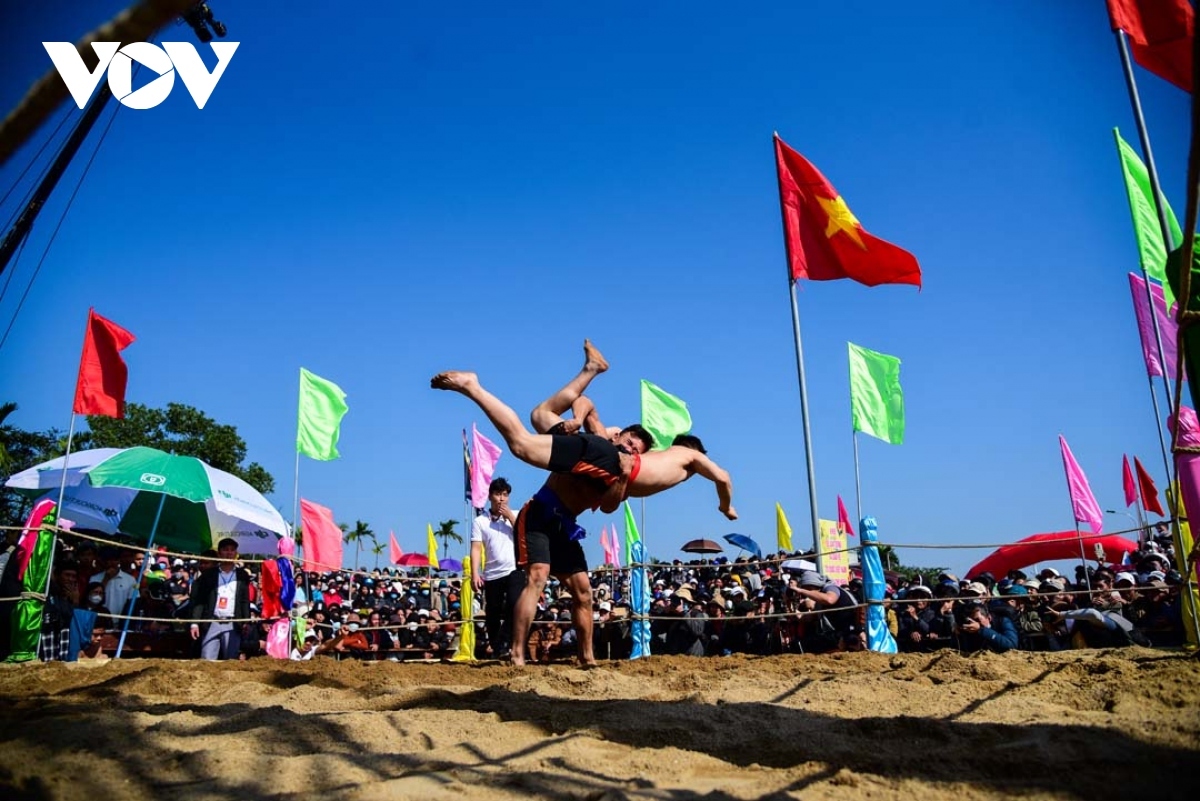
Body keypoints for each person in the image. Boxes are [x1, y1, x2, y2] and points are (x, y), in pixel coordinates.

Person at [525, 340, 737, 521]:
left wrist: (579, 421)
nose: (632, 447)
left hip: (601, 471)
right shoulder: (689, 456)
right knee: (526, 437)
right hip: (603, 462)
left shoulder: (647, 459)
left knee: (541, 415)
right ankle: (591, 369)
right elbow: (723, 478)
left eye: (636, 448)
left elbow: (609, 505)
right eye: (630, 442)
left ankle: (591, 369)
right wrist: (725, 507)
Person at [471, 477, 524, 659]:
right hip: (492, 573)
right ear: (490, 496)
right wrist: (475, 573)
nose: (501, 498)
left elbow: (524, 535)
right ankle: (497, 648)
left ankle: (504, 643)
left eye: (505, 494)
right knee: (492, 614)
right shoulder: (480, 521)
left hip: (514, 569)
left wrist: (510, 517)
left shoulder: (516, 515)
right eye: (498, 494)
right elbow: (476, 548)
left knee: (515, 605)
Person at [188, 538, 252, 660]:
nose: (229, 553)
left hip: (233, 624)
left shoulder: (242, 575)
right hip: (212, 622)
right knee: (206, 659)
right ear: (219, 553)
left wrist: (246, 621)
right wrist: (194, 623)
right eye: (225, 550)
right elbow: (200, 600)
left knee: (231, 660)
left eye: (232, 550)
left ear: (236, 553)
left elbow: (244, 600)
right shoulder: (209, 574)